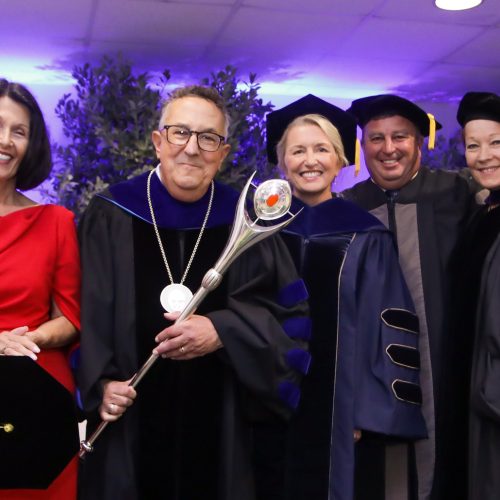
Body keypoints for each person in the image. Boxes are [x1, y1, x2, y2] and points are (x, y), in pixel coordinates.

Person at [77, 85, 309, 500]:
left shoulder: (250, 225)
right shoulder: (110, 213)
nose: (192, 148)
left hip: (224, 429)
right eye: (180, 132)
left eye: (208, 138)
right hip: (131, 429)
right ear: (158, 141)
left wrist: (225, 330)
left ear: (223, 151)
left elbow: (289, 318)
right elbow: (84, 313)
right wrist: (101, 386)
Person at [265, 94, 426, 500]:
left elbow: (387, 328)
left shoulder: (366, 234)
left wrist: (362, 411)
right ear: (282, 163)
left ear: (340, 161)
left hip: (342, 416)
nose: (310, 160)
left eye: (322, 149)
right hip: (263, 406)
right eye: (298, 151)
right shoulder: (259, 233)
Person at [342, 94, 474, 500]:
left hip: (449, 371)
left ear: (419, 142)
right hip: (374, 383)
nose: (388, 148)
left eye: (400, 136)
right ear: (363, 148)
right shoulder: (348, 209)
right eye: (376, 138)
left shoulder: (458, 196)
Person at [0, 79, 81, 498]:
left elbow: (70, 318)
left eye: (19, 131)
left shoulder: (56, 221)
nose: (6, 141)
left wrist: (23, 341)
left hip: (37, 397)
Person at [455, 91, 500, 500]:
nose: (484, 155)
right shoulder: (481, 213)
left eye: (496, 142)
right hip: (476, 392)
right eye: (473, 145)